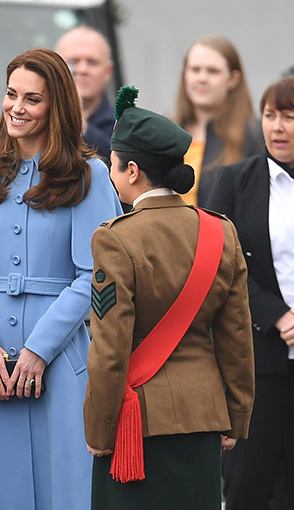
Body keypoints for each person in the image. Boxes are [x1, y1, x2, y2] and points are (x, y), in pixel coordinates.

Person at [0, 48, 123, 510]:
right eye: (11, 94)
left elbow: (93, 274)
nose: (16, 107)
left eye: (32, 99)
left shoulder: (89, 174)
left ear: (57, 106)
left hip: (60, 359)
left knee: (65, 490)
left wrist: (39, 349)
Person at [84, 86, 255, 509]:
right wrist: (238, 414)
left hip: (135, 425)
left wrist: (100, 430)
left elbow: (109, 348)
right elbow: (236, 337)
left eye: (114, 163)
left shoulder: (115, 239)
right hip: (204, 416)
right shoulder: (221, 232)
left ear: (133, 170)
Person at [207, 76, 294, 510]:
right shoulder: (234, 180)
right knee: (248, 486)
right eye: (270, 115)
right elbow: (222, 264)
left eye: (290, 117)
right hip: (259, 362)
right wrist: (279, 315)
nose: (277, 127)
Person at [174, 35, 264, 207]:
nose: (202, 78)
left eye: (213, 71)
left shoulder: (254, 135)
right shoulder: (166, 131)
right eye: (195, 69)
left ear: (233, 79)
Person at [55, 25, 115, 161]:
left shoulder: (125, 127)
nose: (81, 69)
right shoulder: (35, 119)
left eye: (92, 62)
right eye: (72, 62)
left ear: (108, 71)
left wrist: (81, 126)